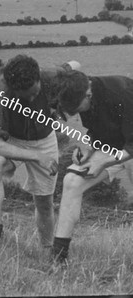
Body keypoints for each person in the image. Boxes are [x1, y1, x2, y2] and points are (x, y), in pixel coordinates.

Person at [0, 55, 78, 247]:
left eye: (35, 93)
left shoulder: (49, 75)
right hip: (13, 140)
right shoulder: (1, 92)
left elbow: (74, 65)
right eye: (26, 96)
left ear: (38, 78)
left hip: (44, 139)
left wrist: (59, 105)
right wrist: (37, 157)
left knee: (44, 203)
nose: (32, 98)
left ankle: (47, 248)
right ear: (13, 88)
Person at [52, 71, 133, 264]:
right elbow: (98, 132)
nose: (77, 114)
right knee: (72, 181)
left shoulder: (122, 92)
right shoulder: (79, 91)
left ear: (88, 94)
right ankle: (58, 257)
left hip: (130, 147)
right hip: (115, 147)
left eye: (77, 108)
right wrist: (89, 148)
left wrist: (104, 161)